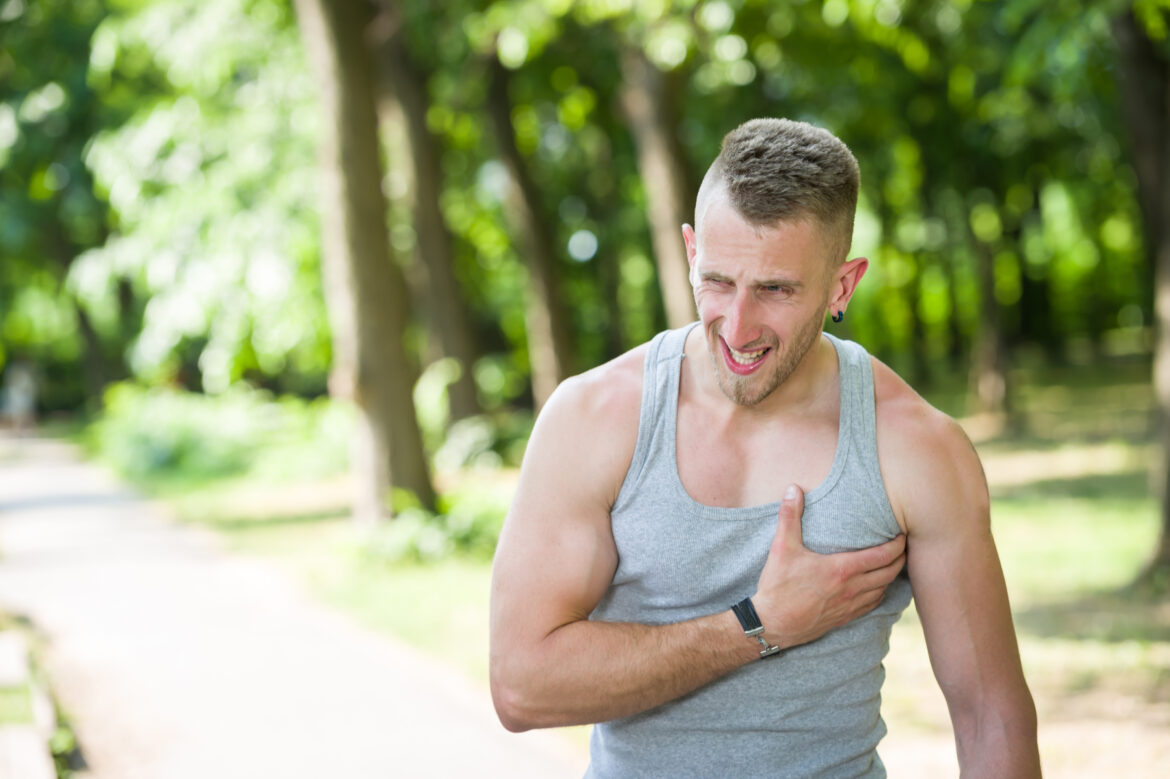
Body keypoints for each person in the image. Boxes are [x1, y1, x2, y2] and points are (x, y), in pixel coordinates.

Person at [489, 118, 1040, 777]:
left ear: (842, 285)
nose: (739, 326)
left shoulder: (916, 446)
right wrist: (758, 624)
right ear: (691, 250)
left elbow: (990, 715)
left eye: (776, 289)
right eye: (718, 281)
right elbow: (521, 686)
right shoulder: (595, 417)